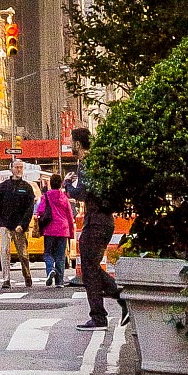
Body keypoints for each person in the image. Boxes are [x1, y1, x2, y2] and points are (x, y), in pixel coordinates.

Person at [70, 125, 128, 328]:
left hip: (96, 222)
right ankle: (106, 309)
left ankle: (105, 311)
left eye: (72, 142)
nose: (70, 145)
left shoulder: (87, 164)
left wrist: (69, 186)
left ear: (78, 143)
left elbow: (82, 193)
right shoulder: (96, 163)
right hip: (102, 221)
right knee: (90, 269)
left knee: (90, 269)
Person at [0, 158, 37, 290]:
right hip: (5, 224)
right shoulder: (3, 187)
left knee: (23, 254)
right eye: (17, 167)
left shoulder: (27, 188)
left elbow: (29, 209)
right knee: (4, 251)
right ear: (11, 168)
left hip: (20, 227)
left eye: (21, 167)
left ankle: (27, 275)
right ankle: (6, 279)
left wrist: (22, 224)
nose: (19, 169)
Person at [36, 167, 75, 287]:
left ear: (50, 184)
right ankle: (59, 281)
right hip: (63, 230)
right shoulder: (64, 198)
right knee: (60, 256)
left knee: (48, 253)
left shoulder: (45, 196)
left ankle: (50, 269)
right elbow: (69, 215)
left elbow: (40, 211)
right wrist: (71, 233)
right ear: (61, 184)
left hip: (49, 229)